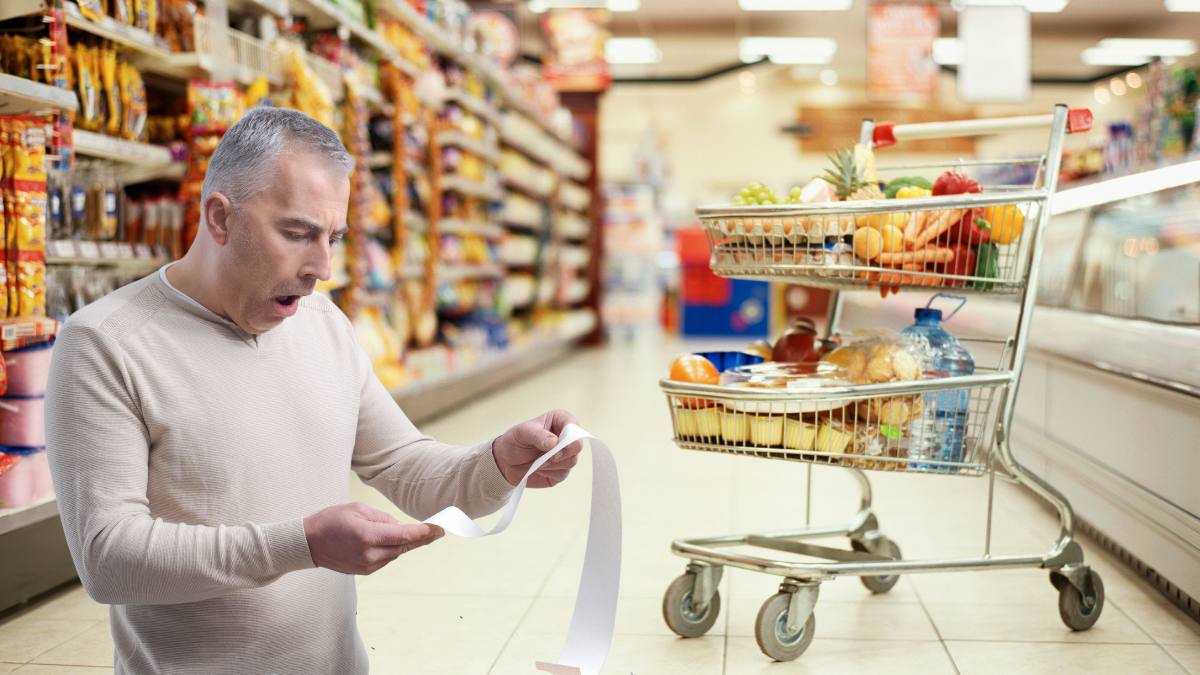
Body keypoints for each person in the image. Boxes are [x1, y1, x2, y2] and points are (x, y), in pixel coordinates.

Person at [45, 107, 583, 674]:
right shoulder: (104, 344)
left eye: (334, 237)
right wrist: (300, 545)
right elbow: (108, 559)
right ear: (219, 218)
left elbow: (405, 464)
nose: (322, 267)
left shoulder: (323, 323)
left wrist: (499, 462)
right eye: (298, 233)